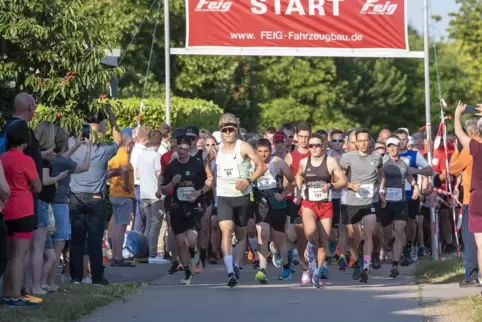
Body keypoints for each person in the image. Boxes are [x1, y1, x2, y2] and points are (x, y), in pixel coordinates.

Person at [69, 105, 121, 285]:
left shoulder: (72, 145)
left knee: (76, 240)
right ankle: (97, 278)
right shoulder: (103, 150)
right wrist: (113, 121)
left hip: (75, 197)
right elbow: (118, 140)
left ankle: (76, 277)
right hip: (96, 199)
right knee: (94, 241)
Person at [212, 113, 266, 287]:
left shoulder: (244, 148)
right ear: (220, 131)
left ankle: (236, 260)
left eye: (231, 129)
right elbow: (206, 164)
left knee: (241, 233)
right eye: (224, 129)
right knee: (226, 231)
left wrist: (248, 180)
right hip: (224, 196)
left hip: (242, 197)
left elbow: (262, 166)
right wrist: (208, 177)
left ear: (236, 129)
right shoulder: (215, 149)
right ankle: (230, 273)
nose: (228, 132)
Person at [296, 133, 347, 288]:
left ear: (324, 146)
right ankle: (309, 250)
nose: (314, 148)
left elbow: (343, 180)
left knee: (324, 241)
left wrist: (331, 186)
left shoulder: (331, 162)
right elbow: (298, 175)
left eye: (317, 145)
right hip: (309, 203)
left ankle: (317, 271)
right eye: (311, 146)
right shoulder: (304, 162)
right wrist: (299, 190)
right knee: (310, 231)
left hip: (325, 204)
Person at [159, 135, 212, 285]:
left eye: (185, 149)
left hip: (194, 206)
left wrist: (199, 193)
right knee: (181, 242)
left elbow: (208, 184)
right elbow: (163, 189)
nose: (182, 151)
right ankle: (187, 272)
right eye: (180, 148)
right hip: (177, 207)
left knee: (192, 240)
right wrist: (171, 184)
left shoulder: (196, 164)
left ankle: (194, 252)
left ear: (190, 149)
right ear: (176, 148)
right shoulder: (172, 166)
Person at [1, 124, 42, 307]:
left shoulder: (3, 158)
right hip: (24, 210)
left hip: (6, 209)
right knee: (19, 255)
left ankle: (8, 292)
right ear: (25, 141)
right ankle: (16, 295)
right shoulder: (26, 160)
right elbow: (38, 186)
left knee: (9, 255)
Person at [29, 121, 68, 295]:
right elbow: (44, 181)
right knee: (37, 249)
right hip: (42, 203)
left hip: (41, 203)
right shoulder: (42, 160)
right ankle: (36, 285)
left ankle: (34, 284)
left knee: (39, 250)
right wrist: (58, 177)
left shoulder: (38, 155)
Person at [50, 126, 92, 285]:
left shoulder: (51, 159)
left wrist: (76, 145)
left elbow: (63, 157)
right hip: (60, 204)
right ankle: (51, 280)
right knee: (59, 243)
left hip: (48, 203)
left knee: (49, 244)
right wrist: (88, 148)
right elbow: (85, 167)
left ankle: (47, 279)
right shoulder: (64, 162)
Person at [252, 138, 295, 284]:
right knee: (262, 234)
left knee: (278, 239)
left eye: (266, 151)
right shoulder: (252, 164)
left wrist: (283, 194)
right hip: (261, 203)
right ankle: (262, 269)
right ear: (256, 151)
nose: (263, 155)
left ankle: (286, 266)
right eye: (260, 152)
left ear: (271, 151)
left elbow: (293, 181)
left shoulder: (278, 162)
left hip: (277, 203)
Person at [379, 136, 419, 278]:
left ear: (399, 147)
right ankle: (388, 240)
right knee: (389, 232)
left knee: (400, 229)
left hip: (401, 202)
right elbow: (381, 178)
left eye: (394, 146)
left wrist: (415, 186)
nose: (392, 148)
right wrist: (381, 192)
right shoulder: (383, 162)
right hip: (386, 202)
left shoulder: (404, 162)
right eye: (389, 146)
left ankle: (395, 264)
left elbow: (408, 175)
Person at [449, 118, 482, 287]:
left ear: (470, 132)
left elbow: (453, 168)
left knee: (470, 239)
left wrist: (455, 151)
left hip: (472, 198)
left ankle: (471, 275)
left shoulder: (471, 148)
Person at [137, 130, 170, 264]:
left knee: (149, 224)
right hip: (155, 195)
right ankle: (152, 255)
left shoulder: (141, 155)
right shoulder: (157, 156)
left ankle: (147, 252)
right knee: (156, 224)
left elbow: (138, 175)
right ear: (160, 140)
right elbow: (159, 175)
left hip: (144, 194)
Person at [108, 132, 136, 267]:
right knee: (121, 227)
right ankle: (118, 256)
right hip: (123, 195)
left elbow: (108, 173)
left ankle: (114, 254)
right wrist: (126, 185)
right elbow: (125, 169)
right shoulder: (124, 155)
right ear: (129, 145)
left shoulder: (114, 155)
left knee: (116, 225)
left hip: (114, 193)